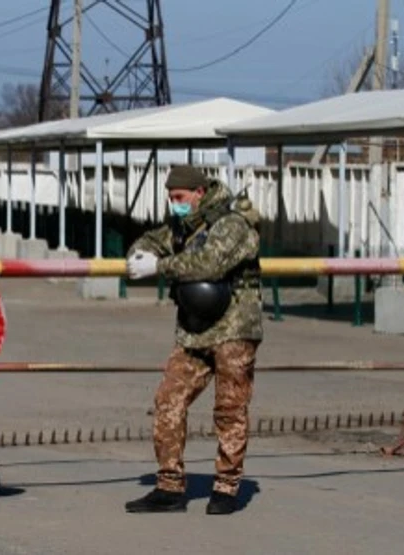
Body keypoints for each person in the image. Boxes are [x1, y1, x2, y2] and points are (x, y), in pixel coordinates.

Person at [123, 165, 263, 516]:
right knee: (168, 400)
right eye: (171, 198)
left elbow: (208, 264)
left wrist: (160, 267)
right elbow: (153, 241)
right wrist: (141, 254)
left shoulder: (232, 223)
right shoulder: (185, 225)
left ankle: (227, 487)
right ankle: (169, 487)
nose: (175, 205)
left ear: (199, 193)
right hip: (194, 329)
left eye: (180, 198)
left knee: (229, 409)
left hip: (234, 328)